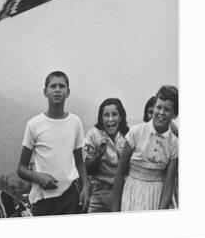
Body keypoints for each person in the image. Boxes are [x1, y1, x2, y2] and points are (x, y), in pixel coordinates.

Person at [17, 71, 89, 216]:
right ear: (45, 92)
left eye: (61, 86)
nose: (57, 90)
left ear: (68, 92)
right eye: (53, 86)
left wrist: (85, 188)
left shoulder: (75, 122)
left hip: (70, 196)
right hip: (43, 199)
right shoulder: (34, 124)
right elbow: (21, 168)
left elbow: (79, 162)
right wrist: (38, 177)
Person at [112, 85, 178, 212]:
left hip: (155, 197)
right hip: (131, 193)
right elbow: (120, 174)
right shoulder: (136, 132)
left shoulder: (174, 144)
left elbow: (169, 186)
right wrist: (115, 211)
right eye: (159, 107)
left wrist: (160, 213)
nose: (161, 113)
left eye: (167, 109)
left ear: (174, 115)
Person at [84, 98, 129, 213]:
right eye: (106, 115)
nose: (110, 119)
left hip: (123, 192)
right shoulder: (93, 134)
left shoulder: (128, 136)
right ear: (101, 118)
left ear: (121, 117)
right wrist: (99, 155)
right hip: (99, 193)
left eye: (114, 114)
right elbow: (87, 168)